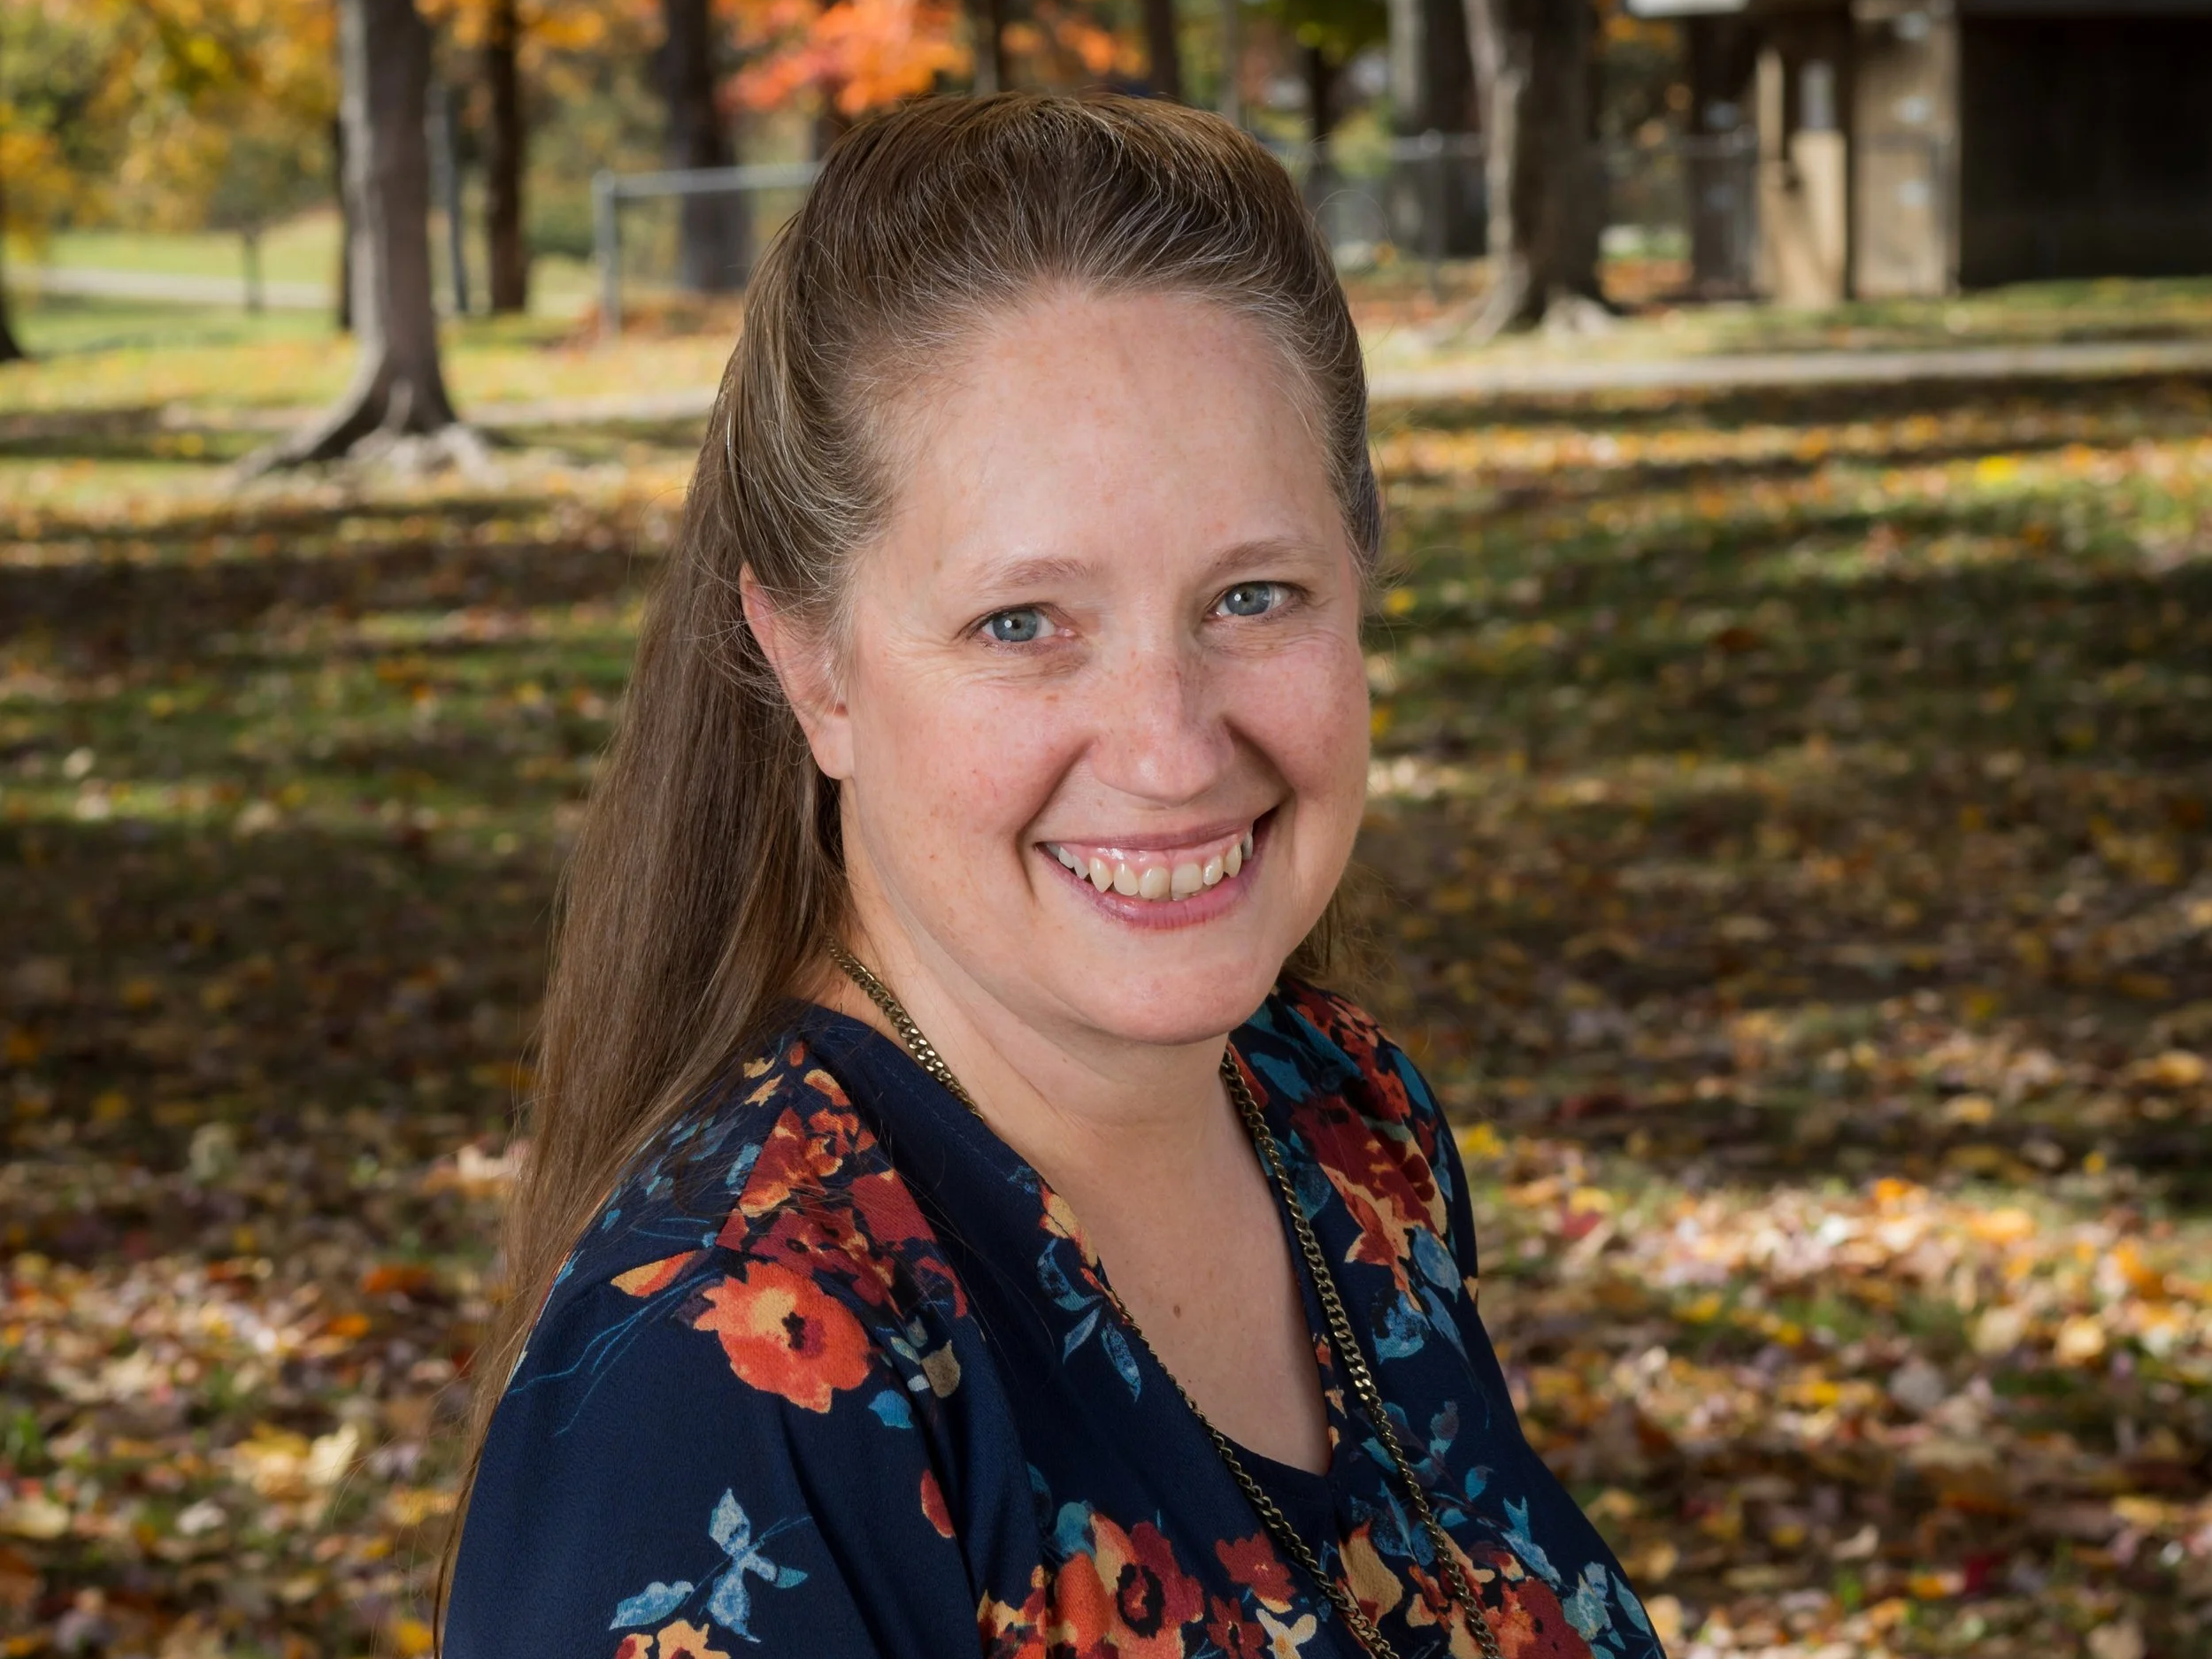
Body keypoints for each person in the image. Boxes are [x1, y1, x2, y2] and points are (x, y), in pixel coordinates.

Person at [443, 92, 1663, 1659]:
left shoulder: (1344, 1122)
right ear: (810, 664)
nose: (1166, 747)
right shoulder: (725, 1381)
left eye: (1253, 593)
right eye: (1025, 621)